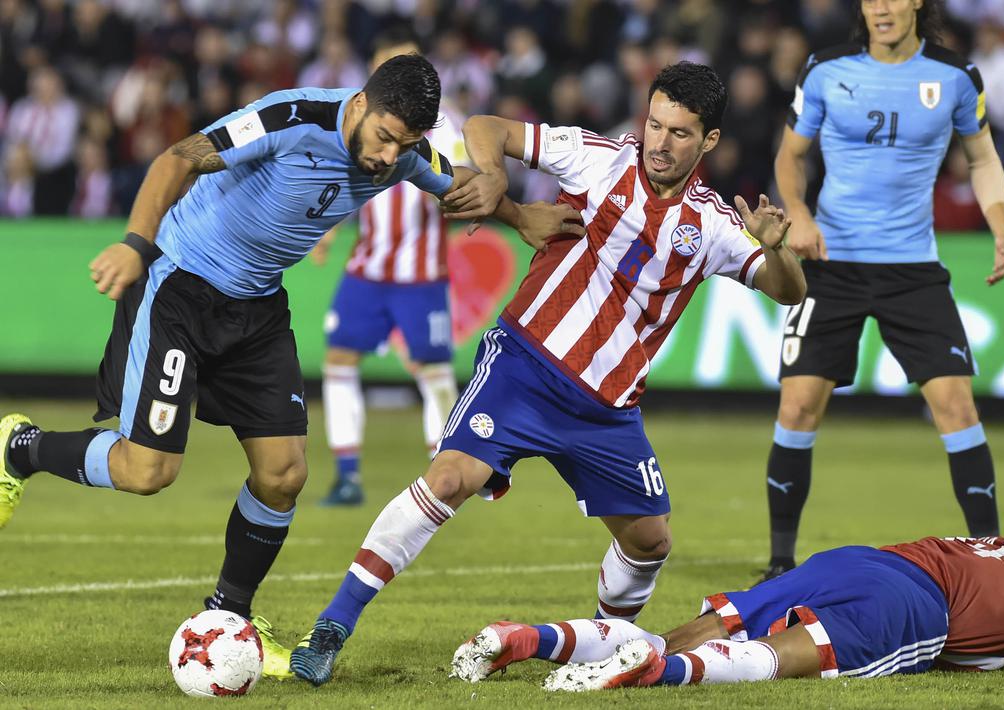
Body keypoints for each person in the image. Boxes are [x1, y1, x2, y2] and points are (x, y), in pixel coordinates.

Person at [0, 54, 568, 679]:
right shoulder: (293, 117)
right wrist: (136, 244)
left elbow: (455, 183)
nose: (388, 157)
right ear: (359, 104)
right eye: (384, 137)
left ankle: (231, 618)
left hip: (258, 307)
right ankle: (22, 449)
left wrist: (521, 217)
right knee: (147, 471)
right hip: (181, 288)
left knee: (284, 474)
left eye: (404, 145)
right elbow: (177, 159)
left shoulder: (404, 153)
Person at [288, 61, 807, 687]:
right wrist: (495, 178)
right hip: (524, 368)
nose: (660, 143)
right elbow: (486, 126)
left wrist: (775, 247)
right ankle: (331, 627)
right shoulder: (597, 159)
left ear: (710, 140)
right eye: (654, 124)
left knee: (650, 541)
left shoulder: (715, 225)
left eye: (679, 133)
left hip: (607, 410)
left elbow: (788, 290)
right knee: (448, 478)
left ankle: (604, 645)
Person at [761, 0, 1004, 581]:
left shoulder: (955, 76)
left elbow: (982, 159)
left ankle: (999, 564)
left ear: (917, 2)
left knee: (957, 408)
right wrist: (799, 212)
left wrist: (1001, 225)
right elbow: (790, 156)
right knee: (797, 407)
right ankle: (779, 564)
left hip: (913, 269)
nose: (880, 7)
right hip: (832, 265)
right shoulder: (825, 69)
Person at [451, 532, 1004, 692]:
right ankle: (656, 673)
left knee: (703, 627)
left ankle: (534, 636)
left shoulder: (971, 545)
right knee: (788, 659)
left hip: (862, 559)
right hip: (915, 606)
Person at [311, 29, 471, 507]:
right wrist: (329, 229)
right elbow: (345, 174)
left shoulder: (445, 125)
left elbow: (461, 182)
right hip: (368, 268)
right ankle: (347, 478)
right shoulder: (361, 113)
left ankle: (447, 475)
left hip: (420, 275)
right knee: (339, 361)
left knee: (433, 370)